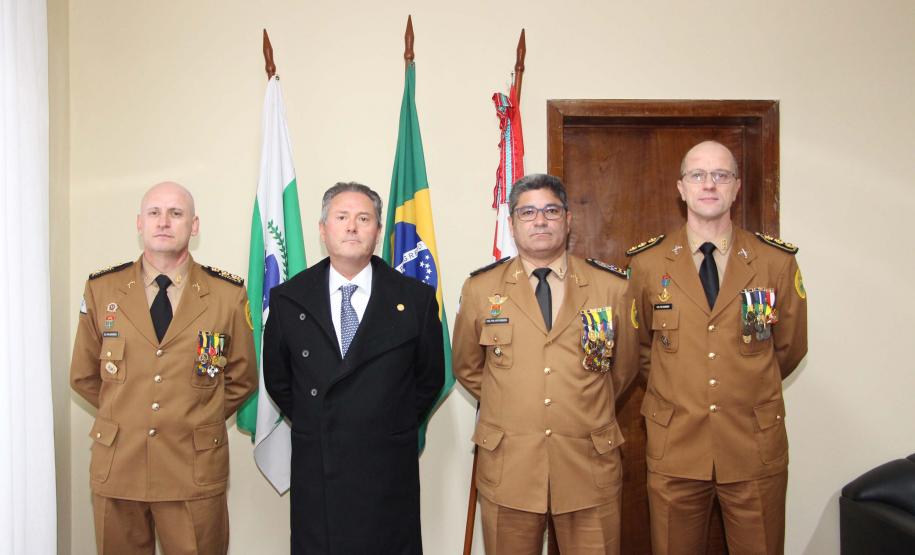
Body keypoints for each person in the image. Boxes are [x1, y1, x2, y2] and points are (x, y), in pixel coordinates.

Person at [627, 141, 808, 555]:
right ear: (681, 187)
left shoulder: (774, 262)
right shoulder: (648, 263)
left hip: (752, 446)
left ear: (737, 187)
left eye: (721, 175)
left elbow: (789, 347)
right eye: (698, 175)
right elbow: (638, 351)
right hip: (676, 446)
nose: (709, 184)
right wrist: (681, 387)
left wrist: (742, 382)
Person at [453, 173, 638, 555]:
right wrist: (517, 401)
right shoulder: (481, 290)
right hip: (511, 466)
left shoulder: (612, 288)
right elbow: (468, 367)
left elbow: (625, 369)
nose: (540, 220)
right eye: (528, 212)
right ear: (513, 224)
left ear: (568, 220)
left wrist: (580, 403)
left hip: (588, 463)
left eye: (551, 210)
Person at [69, 181, 257, 555]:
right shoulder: (102, 289)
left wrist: (193, 417)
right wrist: (125, 411)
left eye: (176, 213)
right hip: (119, 464)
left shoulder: (227, 294)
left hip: (192, 468)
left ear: (194, 225)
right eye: (154, 212)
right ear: (139, 223)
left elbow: (242, 377)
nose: (164, 222)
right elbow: (84, 375)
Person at [263, 182, 445, 554]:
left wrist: (386, 422)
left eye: (364, 219)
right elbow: (278, 380)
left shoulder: (415, 300)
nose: (351, 227)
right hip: (319, 468)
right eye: (341, 217)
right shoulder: (288, 299)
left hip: (387, 470)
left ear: (378, 232)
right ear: (322, 229)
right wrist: (318, 418)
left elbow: (430, 379)